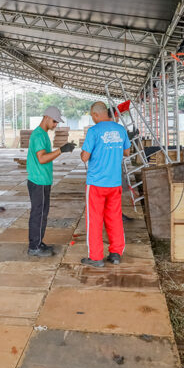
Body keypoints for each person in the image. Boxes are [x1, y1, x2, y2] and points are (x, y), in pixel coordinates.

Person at [80, 101, 131, 267]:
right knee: (114, 217)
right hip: (114, 182)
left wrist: (84, 152)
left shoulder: (94, 131)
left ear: (96, 114)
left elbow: (85, 157)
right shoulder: (121, 129)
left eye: (92, 116)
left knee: (94, 220)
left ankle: (96, 257)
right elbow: (127, 152)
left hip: (96, 183)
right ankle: (116, 253)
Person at [26, 106, 76, 257]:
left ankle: (38, 242)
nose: (55, 125)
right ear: (46, 117)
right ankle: (34, 247)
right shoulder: (39, 135)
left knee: (42, 213)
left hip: (43, 181)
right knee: (38, 214)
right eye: (54, 121)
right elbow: (41, 159)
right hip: (38, 181)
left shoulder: (43, 134)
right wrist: (61, 150)